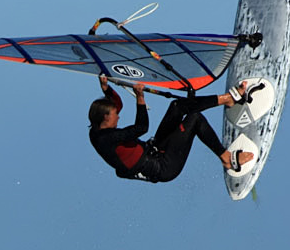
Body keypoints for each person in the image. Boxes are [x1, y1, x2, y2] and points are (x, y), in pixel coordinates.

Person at [88, 75, 254, 183]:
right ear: (106, 117)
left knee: (177, 106)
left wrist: (107, 89)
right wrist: (140, 98)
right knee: (194, 119)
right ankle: (226, 157)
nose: (118, 116)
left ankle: (228, 99)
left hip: (155, 148)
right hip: (164, 166)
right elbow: (141, 127)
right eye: (115, 114)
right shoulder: (107, 138)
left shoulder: (96, 128)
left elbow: (116, 105)